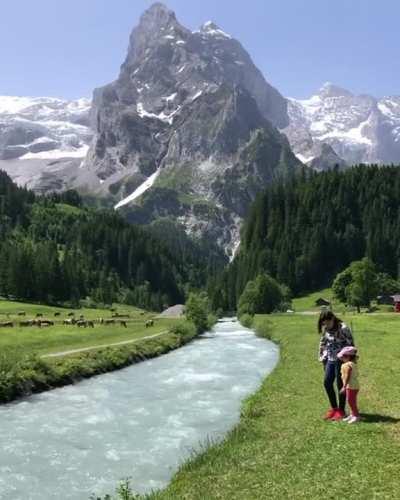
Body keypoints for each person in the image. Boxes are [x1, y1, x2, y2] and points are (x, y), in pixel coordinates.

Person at [318, 311, 354, 420]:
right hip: (330, 359)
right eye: (324, 324)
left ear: (333, 319)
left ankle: (341, 411)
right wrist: (322, 356)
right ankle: (334, 409)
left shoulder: (343, 328)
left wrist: (348, 361)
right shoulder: (326, 329)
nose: (326, 325)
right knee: (327, 382)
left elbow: (351, 345)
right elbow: (323, 342)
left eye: (328, 323)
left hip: (341, 360)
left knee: (340, 385)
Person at [338, 346, 360, 423]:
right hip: (353, 385)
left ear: (348, 356)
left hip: (351, 386)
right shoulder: (351, 363)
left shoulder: (347, 365)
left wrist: (344, 386)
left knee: (351, 401)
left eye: (343, 357)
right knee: (350, 400)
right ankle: (352, 414)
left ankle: (356, 416)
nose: (341, 359)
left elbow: (347, 375)